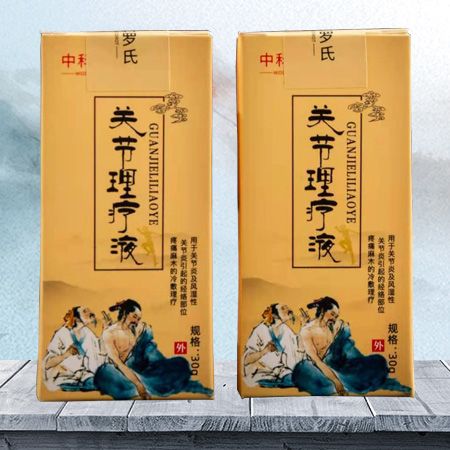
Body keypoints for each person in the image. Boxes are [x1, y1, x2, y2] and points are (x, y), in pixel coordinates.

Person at [94, 299, 213, 400]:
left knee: (178, 364)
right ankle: (144, 386)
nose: (136, 321)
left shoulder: (137, 328)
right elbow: (118, 363)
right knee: (108, 375)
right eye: (134, 316)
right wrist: (138, 384)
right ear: (125, 313)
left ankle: (155, 381)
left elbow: (146, 344)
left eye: (138, 319)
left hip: (136, 367)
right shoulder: (109, 333)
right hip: (117, 371)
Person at [293, 296, 411, 395]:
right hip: (317, 366)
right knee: (315, 379)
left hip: (336, 362)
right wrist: (336, 382)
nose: (334, 318)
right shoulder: (307, 331)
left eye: (336, 316)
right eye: (332, 314)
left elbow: (343, 342)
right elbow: (317, 361)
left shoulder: (335, 326)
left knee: (377, 362)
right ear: (323, 311)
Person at [43, 306, 105, 391]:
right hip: (64, 377)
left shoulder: (88, 334)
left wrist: (105, 331)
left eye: (89, 311)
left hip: (84, 377)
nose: (90, 313)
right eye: (85, 311)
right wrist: (66, 354)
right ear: (76, 318)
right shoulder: (62, 333)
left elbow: (97, 359)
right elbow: (47, 364)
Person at [243, 303, 301, 388]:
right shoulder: (260, 330)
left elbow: (293, 358)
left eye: (287, 308)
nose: (288, 310)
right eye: (283, 308)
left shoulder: (286, 330)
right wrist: (264, 351)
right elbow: (246, 360)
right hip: (261, 373)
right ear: (274, 315)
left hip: (281, 373)